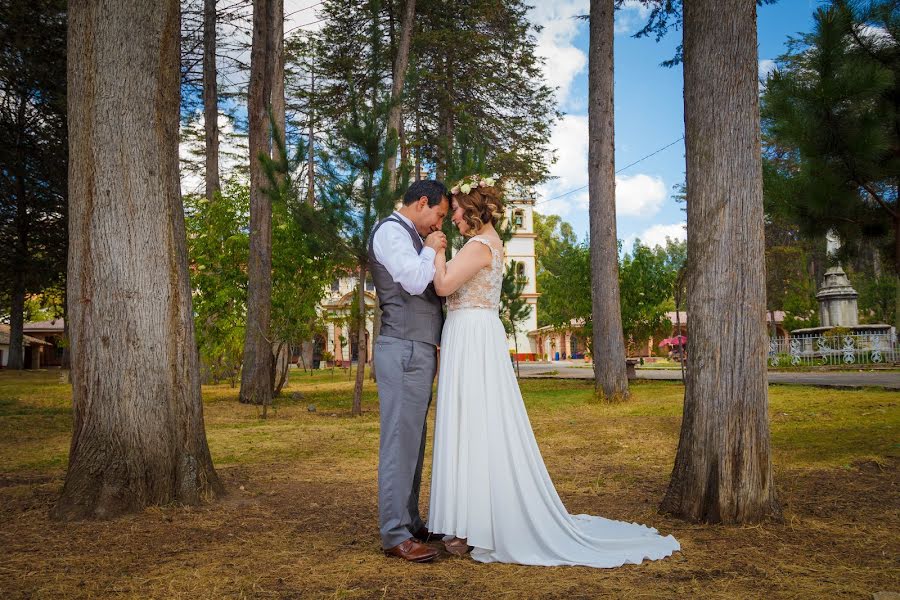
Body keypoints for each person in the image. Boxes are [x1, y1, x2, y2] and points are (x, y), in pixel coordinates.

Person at [427, 175, 681, 567]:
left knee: (474, 421)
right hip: (472, 334)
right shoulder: (488, 244)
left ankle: (474, 522)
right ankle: (467, 520)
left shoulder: (478, 246)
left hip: (472, 335)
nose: (452, 218)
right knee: (473, 421)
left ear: (473, 209)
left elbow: (443, 286)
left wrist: (435, 250)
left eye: (456, 211)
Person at [368, 179, 449, 563]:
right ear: (421, 202)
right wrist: (432, 250)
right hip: (400, 348)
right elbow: (415, 281)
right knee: (399, 441)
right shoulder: (390, 232)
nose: (438, 224)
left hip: (416, 349)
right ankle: (394, 533)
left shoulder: (413, 237)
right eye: (438, 214)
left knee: (414, 441)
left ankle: (410, 520)